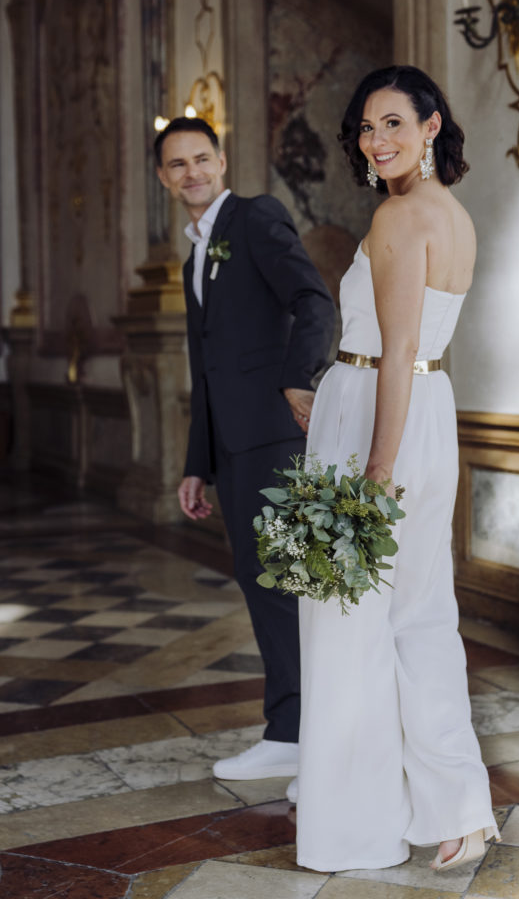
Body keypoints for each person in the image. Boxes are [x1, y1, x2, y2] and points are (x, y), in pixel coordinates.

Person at [294, 67, 499, 872]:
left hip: (382, 419)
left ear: (431, 124)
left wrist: (374, 465)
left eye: (391, 124)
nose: (375, 142)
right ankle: (458, 809)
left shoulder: (397, 215)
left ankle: (355, 824)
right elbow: (413, 354)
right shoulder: (453, 216)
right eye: (364, 130)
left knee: (345, 621)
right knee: (418, 616)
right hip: (422, 412)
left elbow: (395, 348)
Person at [155, 117, 334, 781]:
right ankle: (292, 729)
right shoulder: (192, 256)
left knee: (285, 584)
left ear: (223, 162)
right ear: (163, 178)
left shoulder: (256, 217)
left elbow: (313, 301)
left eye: (202, 158)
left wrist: (298, 379)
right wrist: (195, 463)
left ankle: (302, 732)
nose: (192, 172)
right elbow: (203, 366)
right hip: (230, 445)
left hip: (274, 431)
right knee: (263, 584)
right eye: (177, 164)